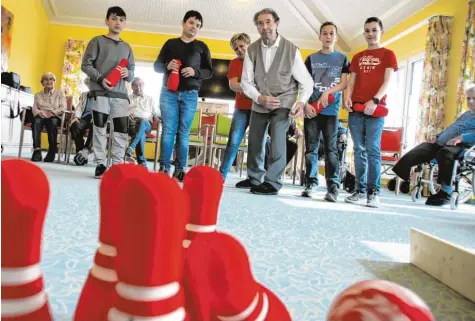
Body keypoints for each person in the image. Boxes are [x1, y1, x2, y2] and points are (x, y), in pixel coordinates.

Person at [236, 8, 314, 195]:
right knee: (255, 140)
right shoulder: (252, 50)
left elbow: (307, 82)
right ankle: (255, 177)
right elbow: (246, 82)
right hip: (260, 99)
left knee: (279, 140)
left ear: (276, 23)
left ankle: (273, 182)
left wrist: (301, 102)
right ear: (257, 27)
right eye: (260, 23)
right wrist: (259, 98)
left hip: (283, 102)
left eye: (268, 22)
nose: (265, 27)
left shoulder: (291, 50)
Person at [344, 17, 398, 208]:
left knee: (372, 150)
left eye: (374, 30)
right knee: (358, 150)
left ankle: (373, 193)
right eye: (367, 30)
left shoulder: (388, 54)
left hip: (375, 109)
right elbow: (351, 82)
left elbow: (387, 82)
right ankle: (359, 191)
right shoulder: (358, 56)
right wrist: (347, 98)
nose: (370, 33)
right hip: (356, 109)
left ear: (381, 32)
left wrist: (374, 101)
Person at [154, 10, 213, 182]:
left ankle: (180, 169)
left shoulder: (202, 47)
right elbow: (156, 66)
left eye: (198, 25)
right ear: (183, 23)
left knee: (184, 132)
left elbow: (209, 71)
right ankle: (164, 167)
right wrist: (167, 65)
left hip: (190, 95)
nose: (194, 27)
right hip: (168, 93)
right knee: (168, 131)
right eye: (192, 23)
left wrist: (195, 71)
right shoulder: (170, 44)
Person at [392, 84, 475, 206]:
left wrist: (461, 137)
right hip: (445, 142)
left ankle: (446, 191)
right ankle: (405, 176)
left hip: (463, 146)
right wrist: (438, 136)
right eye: (468, 98)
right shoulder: (466, 114)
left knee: (445, 153)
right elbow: (452, 128)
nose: (471, 101)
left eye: (474, 98)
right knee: (424, 147)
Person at [81, 6, 135, 178]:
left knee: (121, 131)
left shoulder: (127, 47)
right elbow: (86, 65)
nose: (117, 22)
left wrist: (128, 74)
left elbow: (131, 72)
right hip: (100, 94)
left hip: (120, 97)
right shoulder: (96, 41)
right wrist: (100, 79)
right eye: (114, 18)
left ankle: (117, 165)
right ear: (107, 21)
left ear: (125, 23)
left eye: (121, 19)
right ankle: (100, 164)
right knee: (99, 128)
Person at [301, 21, 350, 202]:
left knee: (331, 150)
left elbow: (344, 83)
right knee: (311, 149)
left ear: (336, 37)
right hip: (312, 110)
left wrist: (328, 92)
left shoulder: (343, 58)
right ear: (320, 36)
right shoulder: (311, 59)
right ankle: (311, 184)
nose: (328, 37)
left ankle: (333, 187)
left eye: (331, 33)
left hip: (331, 111)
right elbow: (304, 83)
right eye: (325, 33)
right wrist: (305, 103)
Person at [219, 33, 253, 180]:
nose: (239, 50)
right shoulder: (234, 63)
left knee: (257, 144)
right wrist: (252, 89)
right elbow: (233, 85)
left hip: (258, 108)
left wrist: (243, 86)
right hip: (241, 108)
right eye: (235, 48)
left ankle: (254, 178)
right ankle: (221, 175)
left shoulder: (259, 61)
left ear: (248, 44)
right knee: (233, 141)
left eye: (241, 46)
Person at [31, 72, 66, 162]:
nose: (49, 81)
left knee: (52, 122)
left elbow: (63, 107)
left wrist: (52, 112)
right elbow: (34, 108)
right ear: (42, 82)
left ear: (54, 82)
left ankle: (52, 150)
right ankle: (37, 150)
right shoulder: (38, 95)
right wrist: (39, 113)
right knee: (36, 121)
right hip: (41, 115)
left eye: (51, 79)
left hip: (54, 116)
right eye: (46, 79)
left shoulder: (60, 93)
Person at [125, 77, 160, 168]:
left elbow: (156, 112)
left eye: (140, 85)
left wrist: (156, 117)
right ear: (132, 87)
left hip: (146, 123)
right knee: (141, 134)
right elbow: (122, 110)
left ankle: (131, 146)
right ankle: (142, 163)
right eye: (136, 85)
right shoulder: (127, 98)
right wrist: (128, 113)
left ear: (143, 86)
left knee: (143, 122)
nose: (138, 87)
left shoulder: (150, 99)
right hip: (132, 124)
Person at [71, 77, 93, 166]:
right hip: (83, 118)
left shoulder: (101, 96)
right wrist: (76, 117)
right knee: (74, 125)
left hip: (95, 119)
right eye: (89, 84)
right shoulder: (84, 94)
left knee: (96, 127)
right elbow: (79, 107)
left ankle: (86, 149)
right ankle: (81, 151)